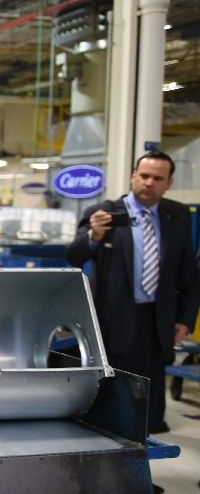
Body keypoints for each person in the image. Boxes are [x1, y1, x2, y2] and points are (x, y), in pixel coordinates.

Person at [67, 151, 199, 443]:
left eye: (157, 178)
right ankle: (110, 469)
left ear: (169, 183)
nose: (149, 183)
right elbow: (73, 256)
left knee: (148, 404)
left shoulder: (176, 216)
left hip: (157, 323)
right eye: (144, 176)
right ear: (133, 176)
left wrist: (185, 318)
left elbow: (188, 272)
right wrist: (93, 236)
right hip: (114, 322)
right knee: (115, 400)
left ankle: (140, 472)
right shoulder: (105, 212)